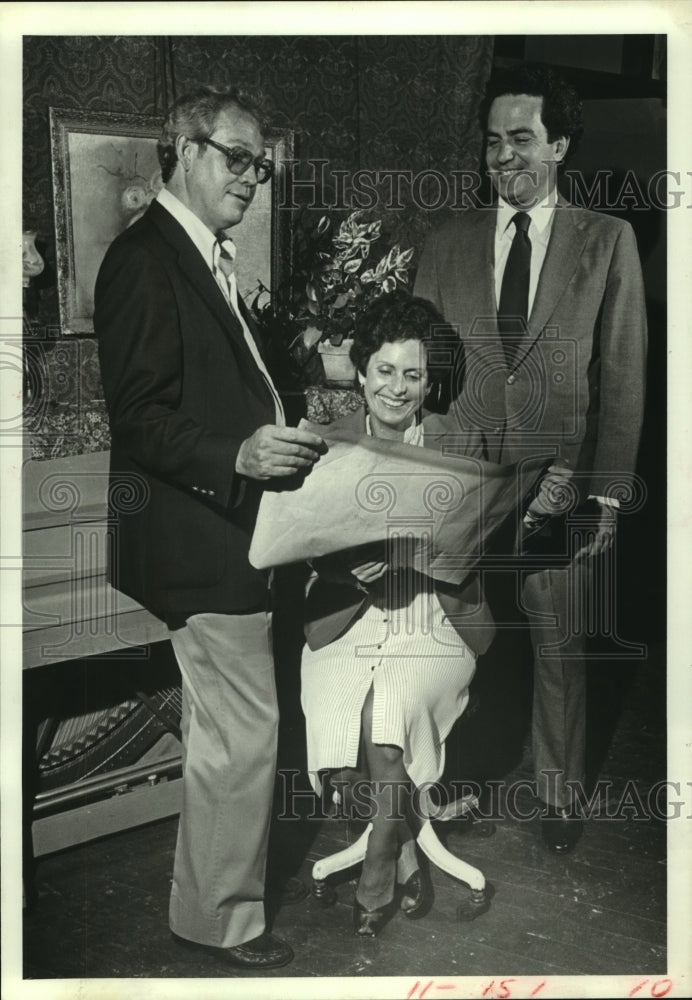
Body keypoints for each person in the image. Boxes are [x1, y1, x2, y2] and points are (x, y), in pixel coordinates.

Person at [94, 84, 326, 970]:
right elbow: (140, 420)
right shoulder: (145, 259)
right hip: (199, 539)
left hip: (230, 533)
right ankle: (221, 921)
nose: (251, 179)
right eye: (237, 159)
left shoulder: (201, 255)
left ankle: (209, 907)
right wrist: (239, 454)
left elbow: (215, 390)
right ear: (184, 151)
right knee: (244, 735)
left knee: (234, 734)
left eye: (260, 166)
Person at [414, 64, 647, 853]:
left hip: (562, 486)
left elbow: (624, 375)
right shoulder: (446, 243)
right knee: (465, 641)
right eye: (492, 142)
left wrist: (606, 498)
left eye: (521, 138)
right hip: (467, 483)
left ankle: (558, 795)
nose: (504, 156)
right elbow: (421, 367)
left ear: (560, 145)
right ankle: (459, 775)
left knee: (558, 647)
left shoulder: (607, 241)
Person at [300, 290, 498, 937]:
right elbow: (300, 548)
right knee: (343, 707)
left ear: (428, 383)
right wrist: (343, 571)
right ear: (360, 373)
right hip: (349, 618)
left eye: (413, 374)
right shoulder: (325, 445)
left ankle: (380, 864)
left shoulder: (459, 445)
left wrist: (431, 554)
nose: (397, 387)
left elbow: (479, 554)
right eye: (384, 370)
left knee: (385, 724)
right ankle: (406, 842)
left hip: (433, 618)